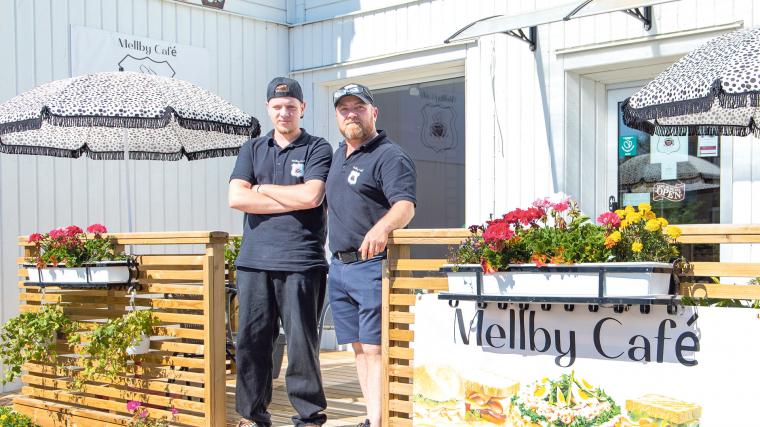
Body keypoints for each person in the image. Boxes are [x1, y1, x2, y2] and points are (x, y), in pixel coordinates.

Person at [228, 77, 332, 427]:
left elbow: (311, 197)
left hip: (302, 262)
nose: (284, 112)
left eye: (291, 106)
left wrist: (262, 189)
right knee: (252, 344)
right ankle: (252, 416)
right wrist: (289, 196)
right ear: (268, 109)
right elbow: (236, 198)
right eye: (277, 106)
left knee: (303, 345)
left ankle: (309, 417)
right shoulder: (252, 149)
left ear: (303, 108)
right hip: (253, 263)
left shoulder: (318, 148)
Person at [326, 83, 417, 427]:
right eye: (344, 109)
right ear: (337, 116)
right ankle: (371, 416)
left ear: (373, 113)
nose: (351, 114)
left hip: (373, 267)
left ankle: (381, 421)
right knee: (360, 349)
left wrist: (381, 229)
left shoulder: (389, 155)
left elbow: (405, 206)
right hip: (340, 268)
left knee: (377, 349)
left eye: (358, 107)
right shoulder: (339, 155)